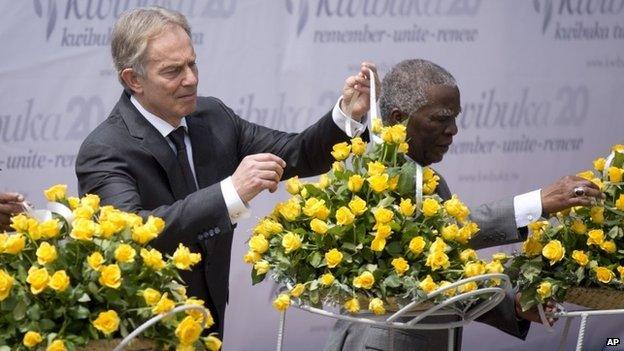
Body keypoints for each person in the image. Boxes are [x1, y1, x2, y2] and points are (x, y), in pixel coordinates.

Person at [75, 6, 376, 337]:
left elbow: (297, 154)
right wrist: (231, 192)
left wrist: (347, 114)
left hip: (210, 321)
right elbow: (130, 237)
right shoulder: (105, 148)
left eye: (192, 64)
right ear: (133, 79)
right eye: (173, 71)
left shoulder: (213, 116)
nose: (190, 79)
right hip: (142, 331)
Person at [323, 59, 602, 351]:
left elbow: (439, 274)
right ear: (397, 117)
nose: (453, 129)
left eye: (455, 118)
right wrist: (537, 203)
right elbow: (445, 237)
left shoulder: (429, 180)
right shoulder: (376, 174)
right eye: (441, 118)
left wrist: (513, 305)